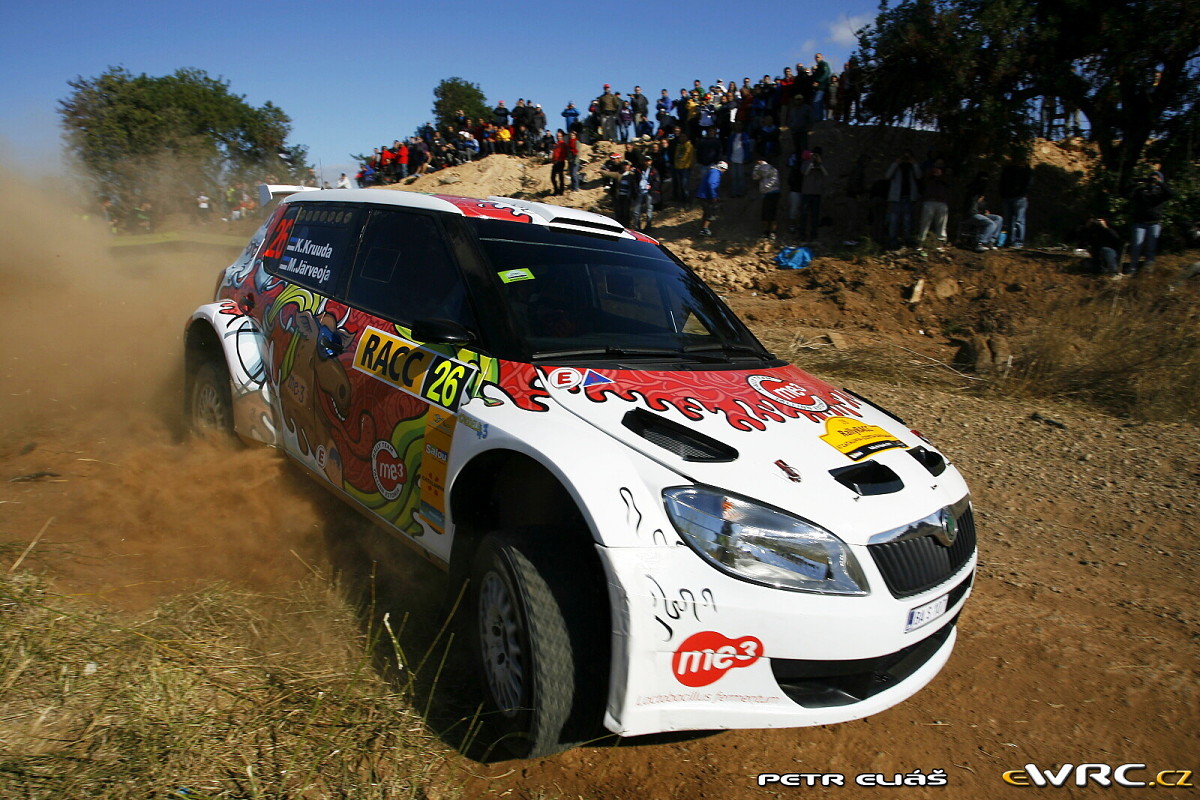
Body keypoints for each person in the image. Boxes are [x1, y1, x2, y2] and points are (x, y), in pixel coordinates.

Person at [1125, 168, 1173, 275]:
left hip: (1154, 223)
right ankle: (1133, 267)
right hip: (1139, 223)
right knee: (1136, 245)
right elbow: (1127, 192)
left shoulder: (1161, 193)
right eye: (1152, 177)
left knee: (1151, 247)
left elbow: (1171, 194)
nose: (1153, 180)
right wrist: (1140, 181)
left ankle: (1148, 268)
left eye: (1156, 177)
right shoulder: (1141, 191)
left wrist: (1160, 184)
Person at [885, 150, 922, 248]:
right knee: (894, 220)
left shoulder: (912, 168)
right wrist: (896, 163)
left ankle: (907, 240)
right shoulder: (897, 168)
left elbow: (919, 176)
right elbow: (887, 175)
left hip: (908, 197)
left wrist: (914, 163)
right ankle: (892, 240)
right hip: (896, 198)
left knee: (907, 220)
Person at [916, 160, 952, 249]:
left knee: (941, 224)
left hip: (942, 202)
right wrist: (931, 174)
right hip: (929, 201)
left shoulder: (946, 178)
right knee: (924, 222)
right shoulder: (928, 176)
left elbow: (950, 185)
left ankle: (941, 243)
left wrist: (940, 176)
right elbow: (922, 184)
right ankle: (921, 242)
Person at [999, 155, 1033, 248]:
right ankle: (1009, 241)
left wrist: (1022, 193)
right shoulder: (1008, 170)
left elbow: (1028, 184)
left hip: (1019, 198)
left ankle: (1018, 242)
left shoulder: (1026, 171)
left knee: (1019, 220)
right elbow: (1002, 182)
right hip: (1008, 197)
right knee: (1009, 221)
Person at [799, 149, 828, 243]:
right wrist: (811, 163)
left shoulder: (821, 164)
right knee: (804, 215)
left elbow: (826, 173)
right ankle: (802, 235)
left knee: (815, 216)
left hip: (817, 193)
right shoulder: (805, 163)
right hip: (806, 193)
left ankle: (814, 235)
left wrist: (819, 164)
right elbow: (805, 173)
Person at [751, 158, 781, 240]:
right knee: (772, 213)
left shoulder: (762, 168)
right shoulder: (774, 169)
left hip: (767, 193)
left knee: (765, 214)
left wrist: (757, 167)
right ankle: (772, 233)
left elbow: (755, 176)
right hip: (776, 192)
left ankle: (767, 232)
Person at [695, 161, 727, 237]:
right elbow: (711, 184)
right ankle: (704, 229)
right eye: (724, 170)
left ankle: (703, 229)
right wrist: (714, 196)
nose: (724, 172)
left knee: (707, 212)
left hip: (703, 195)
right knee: (710, 213)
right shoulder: (715, 173)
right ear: (722, 168)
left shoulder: (712, 171)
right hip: (706, 196)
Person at [631, 156, 661, 232]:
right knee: (636, 211)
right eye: (645, 160)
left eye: (648, 161)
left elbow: (657, 182)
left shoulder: (653, 171)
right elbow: (634, 181)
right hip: (640, 192)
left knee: (649, 211)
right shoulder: (639, 170)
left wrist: (651, 187)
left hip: (649, 193)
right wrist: (636, 190)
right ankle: (637, 227)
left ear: (651, 161)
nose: (647, 162)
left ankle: (648, 227)